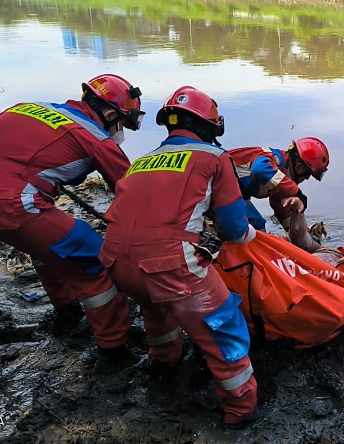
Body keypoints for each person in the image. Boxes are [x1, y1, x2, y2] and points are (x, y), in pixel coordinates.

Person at [0, 74, 143, 371]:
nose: (120, 132)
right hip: (8, 204)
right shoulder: (98, 140)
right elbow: (135, 197)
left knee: (49, 245)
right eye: (122, 124)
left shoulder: (25, 106)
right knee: (95, 261)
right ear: (111, 114)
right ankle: (113, 350)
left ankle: (67, 313)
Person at [99, 86, 262, 430]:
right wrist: (256, 240)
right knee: (225, 328)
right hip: (168, 264)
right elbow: (234, 228)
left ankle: (164, 362)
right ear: (210, 126)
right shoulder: (214, 158)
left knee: (155, 306)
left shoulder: (142, 161)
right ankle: (240, 411)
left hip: (114, 262)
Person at [229, 137, 329, 232]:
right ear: (299, 167)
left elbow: (280, 207)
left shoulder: (281, 178)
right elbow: (259, 170)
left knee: (258, 227)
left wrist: (299, 233)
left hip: (230, 194)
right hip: (218, 188)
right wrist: (297, 192)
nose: (306, 178)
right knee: (256, 225)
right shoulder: (272, 158)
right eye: (308, 174)